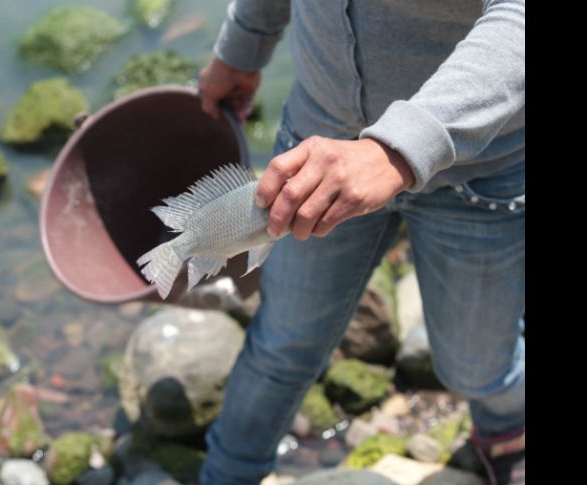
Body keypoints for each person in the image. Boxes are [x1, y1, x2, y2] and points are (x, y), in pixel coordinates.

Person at [197, 1, 525, 484]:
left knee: (475, 369)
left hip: (478, 175)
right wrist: (240, 52)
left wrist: (394, 148)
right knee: (283, 342)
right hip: (314, 153)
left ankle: (506, 428)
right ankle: (229, 470)